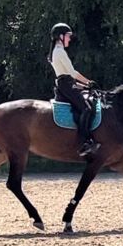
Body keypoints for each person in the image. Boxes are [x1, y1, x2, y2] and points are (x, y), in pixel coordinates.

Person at [47, 23, 101, 157]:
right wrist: (88, 82)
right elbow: (72, 73)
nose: (70, 39)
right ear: (60, 36)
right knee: (87, 109)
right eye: (68, 36)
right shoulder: (59, 51)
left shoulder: (58, 50)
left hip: (67, 84)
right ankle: (85, 142)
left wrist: (86, 86)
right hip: (66, 84)